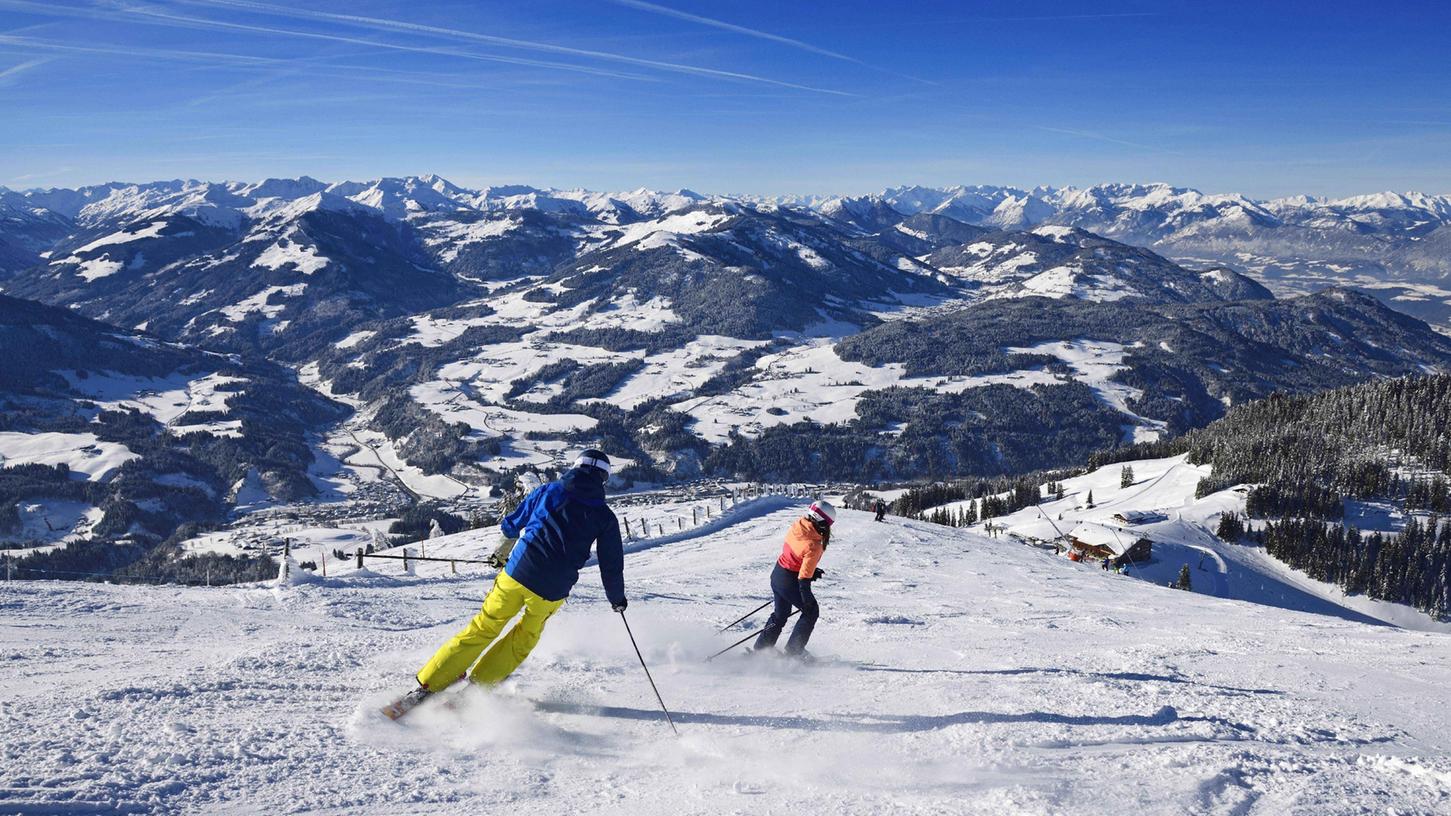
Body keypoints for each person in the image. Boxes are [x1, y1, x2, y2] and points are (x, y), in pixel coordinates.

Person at [388, 450, 625, 715]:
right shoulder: (605, 517)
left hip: (517, 573)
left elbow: (513, 524)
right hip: (552, 589)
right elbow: (611, 564)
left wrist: (500, 553)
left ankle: (429, 685)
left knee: (484, 627)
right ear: (603, 479)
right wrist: (616, 599)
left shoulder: (548, 491)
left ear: (574, 467)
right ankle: (477, 690)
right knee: (523, 638)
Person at [752, 500, 835, 659]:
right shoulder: (814, 543)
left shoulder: (798, 526)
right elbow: (803, 578)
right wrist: (807, 597)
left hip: (778, 574)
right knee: (811, 611)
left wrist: (811, 570)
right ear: (822, 522)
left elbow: (796, 554)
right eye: (828, 524)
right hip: (790, 581)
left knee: (781, 614)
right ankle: (794, 650)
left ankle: (762, 648)